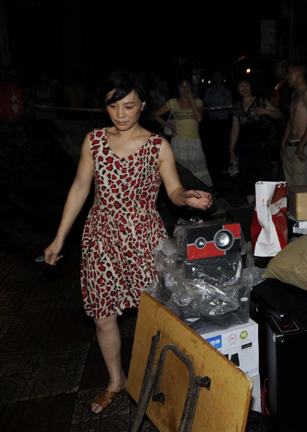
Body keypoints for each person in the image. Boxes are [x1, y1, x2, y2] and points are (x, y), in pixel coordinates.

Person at [43, 71, 212, 414]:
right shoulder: (94, 141)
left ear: (143, 106)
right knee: (103, 316)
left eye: (129, 106)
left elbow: (174, 191)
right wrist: (59, 238)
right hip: (101, 237)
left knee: (159, 313)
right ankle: (115, 380)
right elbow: (79, 188)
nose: (121, 113)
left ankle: (168, 377)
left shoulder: (157, 145)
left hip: (144, 238)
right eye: (113, 105)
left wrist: (188, 198)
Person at [230, 78, 282, 204]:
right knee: (247, 177)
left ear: (251, 86)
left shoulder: (261, 100)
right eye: (241, 86)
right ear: (237, 89)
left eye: (246, 84)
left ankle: (267, 205)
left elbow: (280, 114)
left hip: (261, 145)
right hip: (244, 146)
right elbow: (235, 129)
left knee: (264, 175)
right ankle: (251, 208)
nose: (244, 88)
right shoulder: (237, 106)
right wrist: (231, 150)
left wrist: (267, 111)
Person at [155, 78, 213, 187]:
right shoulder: (173, 102)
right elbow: (156, 114)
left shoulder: (197, 102)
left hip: (194, 143)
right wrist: (169, 125)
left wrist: (191, 99)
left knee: (197, 173)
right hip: (178, 143)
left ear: (191, 88)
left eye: (187, 86)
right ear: (178, 89)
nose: (185, 89)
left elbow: (199, 118)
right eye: (182, 86)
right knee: (179, 172)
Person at [280, 62, 307, 186]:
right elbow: (292, 121)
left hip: (302, 147)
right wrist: (283, 142)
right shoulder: (294, 95)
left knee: (301, 186)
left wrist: (301, 144)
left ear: (298, 74)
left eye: (289, 74)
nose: (287, 77)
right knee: (290, 188)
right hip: (290, 147)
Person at [203, 70, 232, 178]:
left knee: (223, 143)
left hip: (223, 119)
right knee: (213, 143)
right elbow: (206, 103)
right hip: (213, 119)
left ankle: (225, 165)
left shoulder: (227, 90)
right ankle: (214, 167)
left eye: (219, 75)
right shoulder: (209, 90)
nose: (217, 77)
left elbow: (229, 105)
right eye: (215, 75)